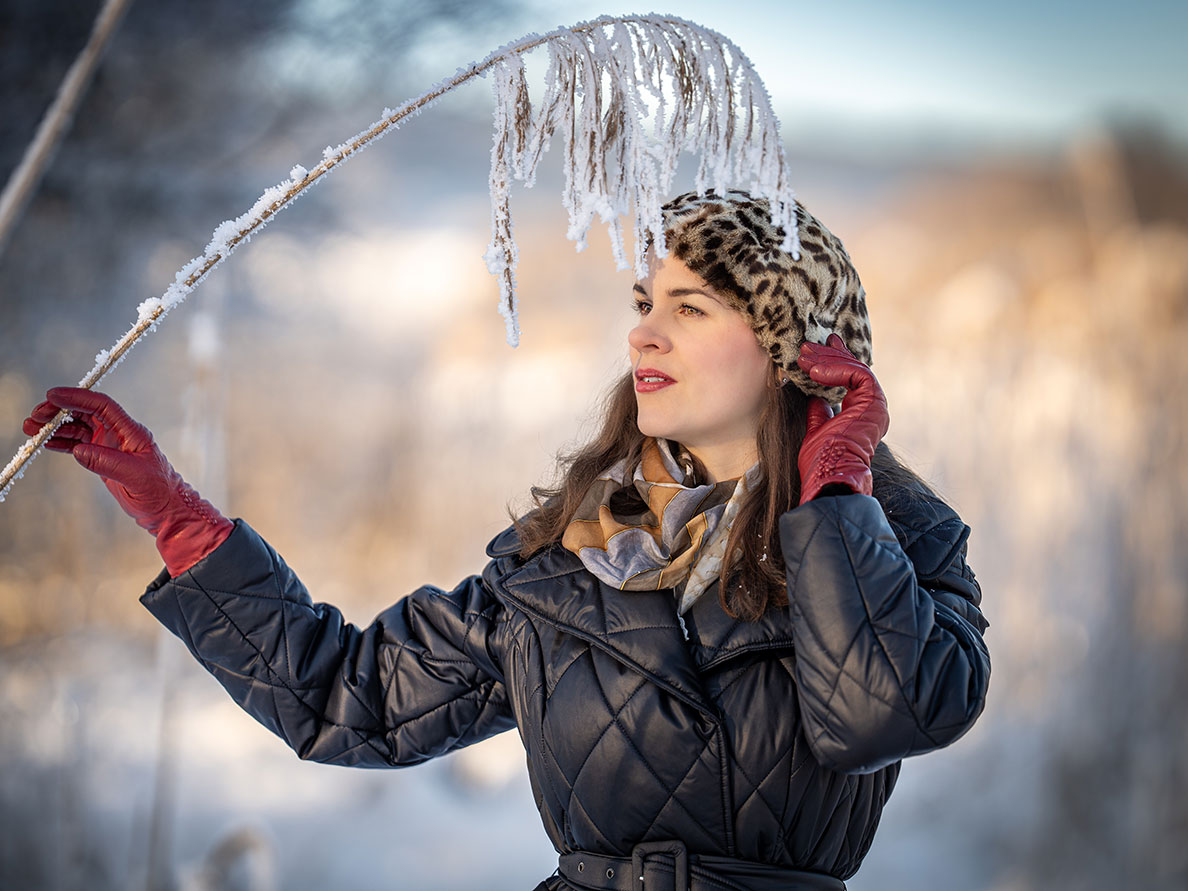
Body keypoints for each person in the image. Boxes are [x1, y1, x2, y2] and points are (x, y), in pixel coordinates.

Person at [24, 190, 990, 890]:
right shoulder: (562, 564)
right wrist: (178, 516)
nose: (643, 335)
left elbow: (877, 717)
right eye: (643, 303)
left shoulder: (897, 546)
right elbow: (344, 698)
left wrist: (833, 487)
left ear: (797, 349)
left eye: (690, 307)